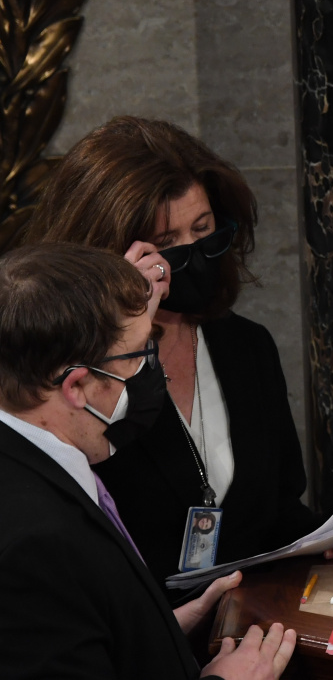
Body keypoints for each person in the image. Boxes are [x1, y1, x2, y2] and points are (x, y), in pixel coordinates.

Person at [25, 116, 319, 590]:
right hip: (138, 626)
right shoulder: (74, 378)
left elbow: (279, 510)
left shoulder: (247, 346)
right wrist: (119, 316)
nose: (193, 253)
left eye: (203, 229)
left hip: (251, 618)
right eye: (166, 246)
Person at [0, 242, 295, 678]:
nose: (151, 371)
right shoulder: (31, 544)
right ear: (76, 386)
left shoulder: (40, 465)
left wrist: (158, 631)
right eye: (138, 355)